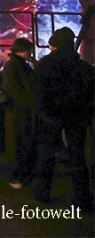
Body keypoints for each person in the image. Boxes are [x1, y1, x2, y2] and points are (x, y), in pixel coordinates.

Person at [31, 28, 95, 211]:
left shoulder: (44, 65)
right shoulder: (84, 68)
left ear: (55, 44)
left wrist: (44, 112)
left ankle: (43, 193)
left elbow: (37, 93)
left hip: (51, 117)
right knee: (78, 157)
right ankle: (81, 198)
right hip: (77, 117)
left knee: (47, 155)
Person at [2, 38, 36, 189]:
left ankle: (18, 175)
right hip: (18, 111)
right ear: (23, 50)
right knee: (17, 143)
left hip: (18, 111)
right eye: (29, 50)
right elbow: (14, 88)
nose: (31, 53)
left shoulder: (14, 65)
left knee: (17, 143)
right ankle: (15, 176)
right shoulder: (16, 66)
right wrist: (30, 101)